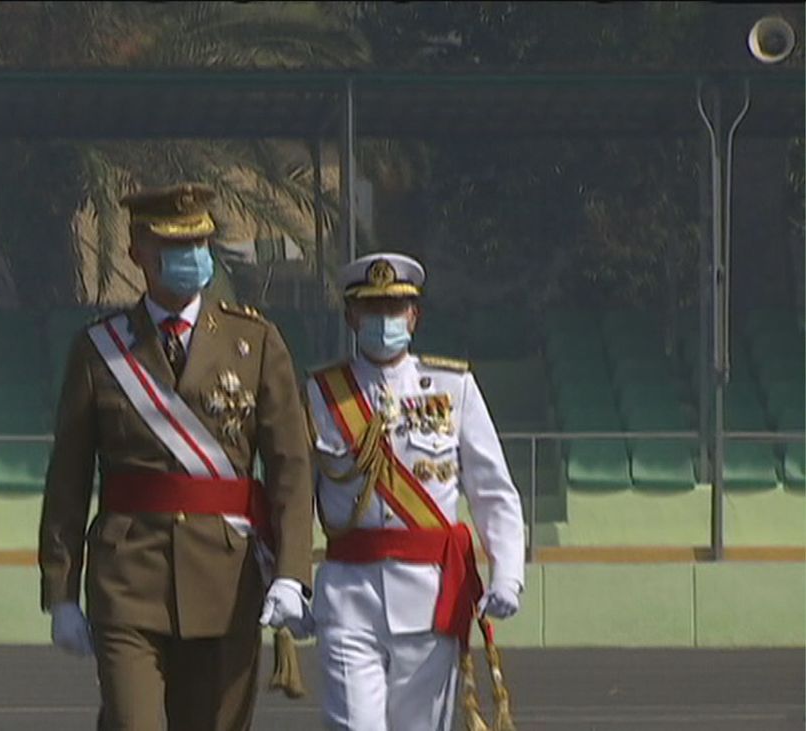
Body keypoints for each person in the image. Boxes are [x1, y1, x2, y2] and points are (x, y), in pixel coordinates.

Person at [38, 183, 315, 731]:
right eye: (174, 244)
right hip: (128, 574)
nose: (192, 256)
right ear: (139, 251)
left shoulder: (255, 341)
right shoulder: (100, 350)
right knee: (132, 721)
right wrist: (60, 590)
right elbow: (68, 478)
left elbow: (290, 465)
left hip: (226, 575)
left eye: (201, 242)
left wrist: (291, 572)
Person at [305, 254, 526, 731]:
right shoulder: (321, 394)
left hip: (429, 600)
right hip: (348, 595)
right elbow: (295, 495)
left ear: (414, 316)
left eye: (395, 308)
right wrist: (286, 577)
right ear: (351, 317)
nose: (384, 320)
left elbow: (492, 491)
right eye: (372, 309)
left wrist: (508, 573)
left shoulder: (454, 387)